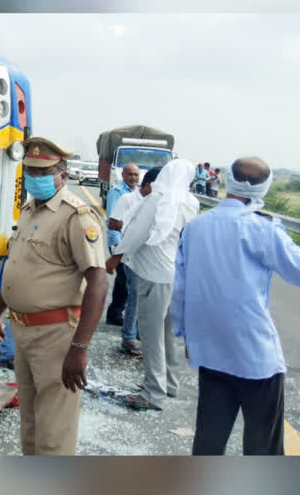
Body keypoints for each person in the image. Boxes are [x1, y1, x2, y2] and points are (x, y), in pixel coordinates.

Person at [172, 157, 300, 455]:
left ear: (228, 181)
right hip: (255, 356)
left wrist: (186, 334)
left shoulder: (195, 227)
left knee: (209, 441)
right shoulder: (263, 229)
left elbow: (181, 289)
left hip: (210, 351)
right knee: (263, 447)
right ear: (264, 186)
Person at [0, 137, 108, 455]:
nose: (35, 178)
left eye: (44, 172)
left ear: (63, 175)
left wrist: (79, 348)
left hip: (56, 335)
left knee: (54, 432)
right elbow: (19, 267)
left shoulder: (75, 217)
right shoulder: (29, 210)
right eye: (30, 171)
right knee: (30, 424)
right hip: (22, 330)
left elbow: (98, 282)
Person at [106, 159, 199, 411]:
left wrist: (116, 254)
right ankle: (169, 383)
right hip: (174, 276)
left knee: (150, 335)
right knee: (167, 333)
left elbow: (137, 233)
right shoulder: (190, 202)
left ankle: (152, 393)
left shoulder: (157, 199)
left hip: (153, 275)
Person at [107, 166, 162, 356]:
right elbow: (112, 223)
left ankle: (140, 334)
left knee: (146, 298)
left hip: (149, 257)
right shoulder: (127, 199)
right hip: (128, 252)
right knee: (135, 295)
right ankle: (129, 337)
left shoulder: (159, 202)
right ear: (148, 185)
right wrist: (134, 227)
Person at [104, 163, 140, 327]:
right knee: (123, 278)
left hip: (130, 242)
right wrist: (116, 246)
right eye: (130, 174)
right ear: (123, 175)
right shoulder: (116, 192)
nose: (133, 178)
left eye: (136, 175)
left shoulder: (138, 193)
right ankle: (115, 313)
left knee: (127, 279)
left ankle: (118, 310)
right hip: (119, 241)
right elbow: (112, 220)